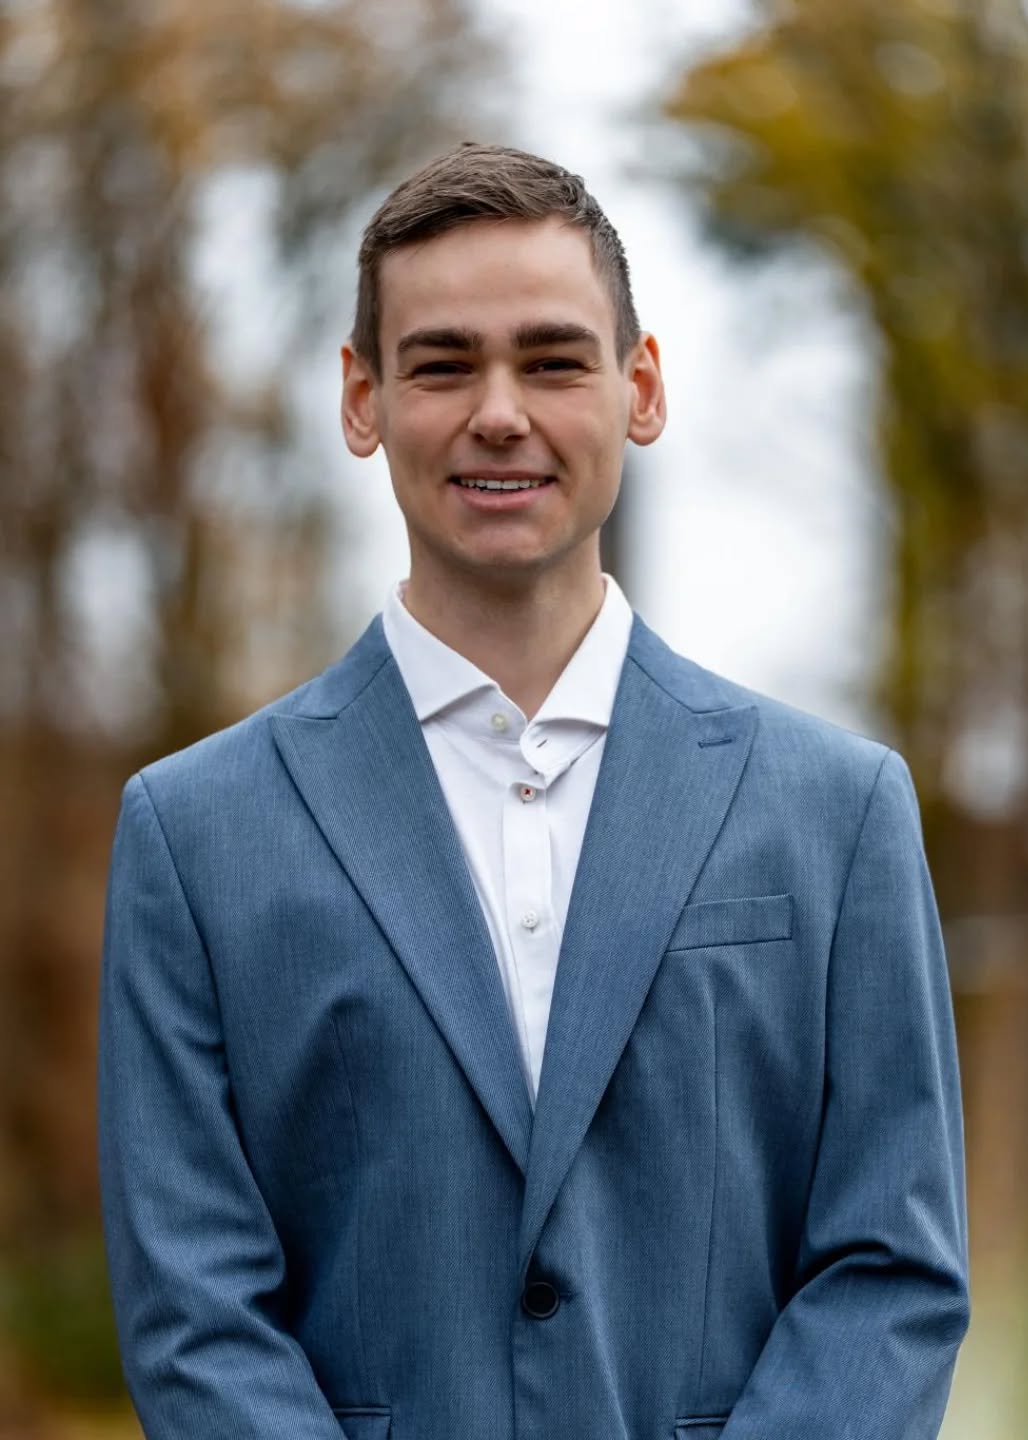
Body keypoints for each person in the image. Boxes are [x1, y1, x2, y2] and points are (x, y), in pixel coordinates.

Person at [99, 144, 969, 1440]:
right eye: (443, 363)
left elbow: (890, 1273)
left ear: (641, 388)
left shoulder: (839, 813)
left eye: (553, 359)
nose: (498, 411)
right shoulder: (192, 834)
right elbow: (193, 1308)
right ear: (362, 399)